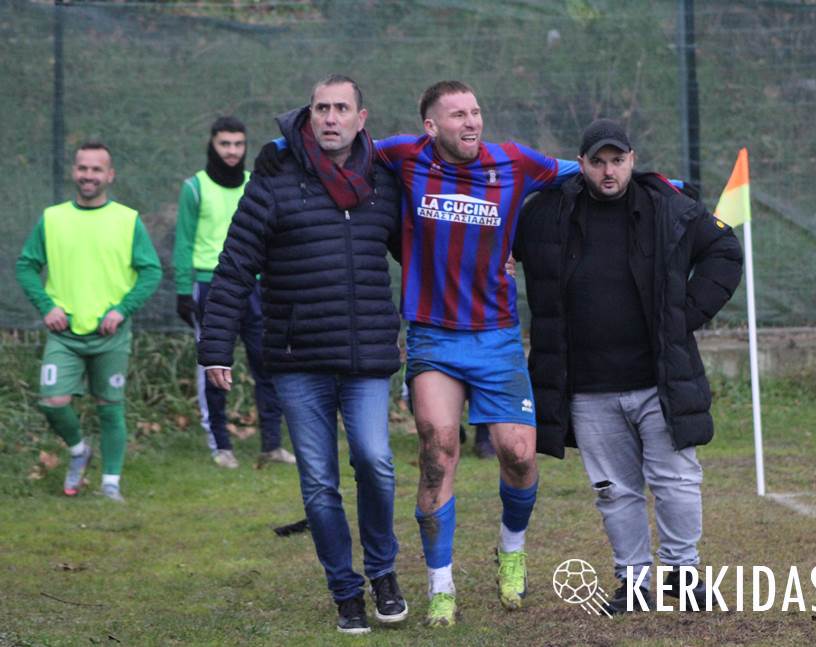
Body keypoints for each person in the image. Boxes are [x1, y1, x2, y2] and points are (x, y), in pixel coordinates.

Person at [256, 79, 578, 626]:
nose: (471, 122)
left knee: (520, 454)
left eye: (475, 112)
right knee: (437, 450)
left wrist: (665, 185)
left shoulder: (513, 161)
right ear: (431, 127)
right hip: (433, 335)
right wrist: (280, 148)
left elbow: (590, 171)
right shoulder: (403, 155)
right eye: (457, 115)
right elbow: (342, 143)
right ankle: (440, 584)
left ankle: (511, 550)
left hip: (497, 335)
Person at [198, 75, 407, 635]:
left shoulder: (384, 182)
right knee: (318, 483)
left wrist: (491, 260)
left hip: (366, 357)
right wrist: (216, 347)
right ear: (309, 115)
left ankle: (383, 573)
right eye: (321, 108)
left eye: (341, 108)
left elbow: (421, 251)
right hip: (297, 360)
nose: (331, 118)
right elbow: (235, 266)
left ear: (362, 118)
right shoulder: (273, 180)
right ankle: (346, 592)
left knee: (375, 462)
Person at [513, 119, 743, 613]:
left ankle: (684, 576)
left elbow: (724, 250)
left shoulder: (668, 207)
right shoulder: (545, 213)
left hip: (660, 379)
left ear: (632, 160)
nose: (608, 171)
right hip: (587, 388)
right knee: (615, 492)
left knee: (676, 481)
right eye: (598, 162)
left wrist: (684, 316)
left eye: (617, 161)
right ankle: (634, 583)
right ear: (581, 165)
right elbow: (492, 247)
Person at [15, 142, 162, 502]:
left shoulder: (127, 220)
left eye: (97, 169)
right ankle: (79, 450)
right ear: (74, 172)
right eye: (83, 168)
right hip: (63, 333)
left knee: (110, 407)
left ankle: (110, 483)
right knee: (52, 401)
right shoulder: (53, 218)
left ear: (110, 175)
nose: (89, 175)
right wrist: (46, 306)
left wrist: (121, 310)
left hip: (111, 333)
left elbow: (151, 271)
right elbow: (26, 266)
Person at [173, 116, 292, 469]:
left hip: (254, 285)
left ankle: (272, 444)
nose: (232, 151)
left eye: (238, 144)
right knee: (214, 365)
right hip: (210, 284)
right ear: (212, 144)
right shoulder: (194, 187)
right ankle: (221, 446)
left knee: (266, 364)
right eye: (225, 144)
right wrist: (183, 291)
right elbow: (183, 242)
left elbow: (270, 237)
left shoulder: (256, 183)